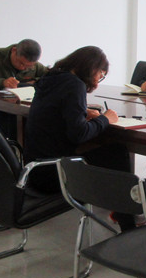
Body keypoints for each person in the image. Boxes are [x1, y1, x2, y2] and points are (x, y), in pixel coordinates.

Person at [24, 46, 134, 230]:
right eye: (100, 75)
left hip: (34, 170)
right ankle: (127, 223)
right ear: (92, 68)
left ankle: (119, 209)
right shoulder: (74, 84)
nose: (98, 81)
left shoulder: (51, 78)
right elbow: (79, 134)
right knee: (118, 152)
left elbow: (56, 111)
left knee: (107, 151)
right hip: (55, 173)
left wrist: (81, 111)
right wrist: (105, 119)